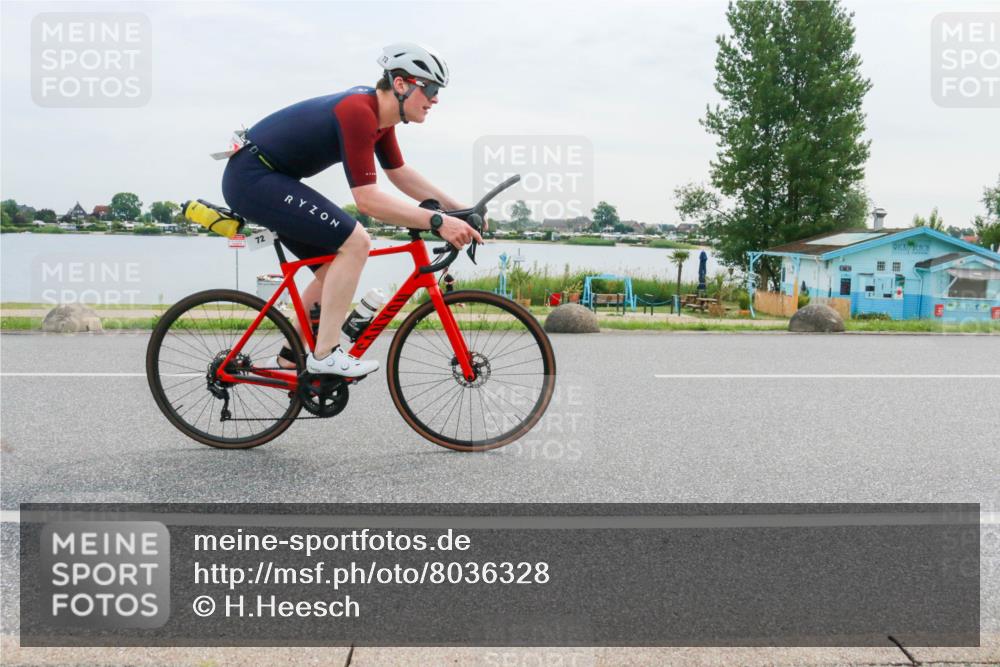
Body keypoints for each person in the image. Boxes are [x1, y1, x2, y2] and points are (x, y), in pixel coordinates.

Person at [221, 42, 482, 377]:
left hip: (267, 177)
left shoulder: (380, 117)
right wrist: (437, 221)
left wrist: (459, 209)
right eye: (430, 89)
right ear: (400, 84)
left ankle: (290, 357)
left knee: (333, 268)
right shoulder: (359, 112)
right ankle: (325, 354)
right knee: (357, 241)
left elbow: (399, 173)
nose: (435, 99)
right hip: (252, 178)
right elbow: (367, 201)